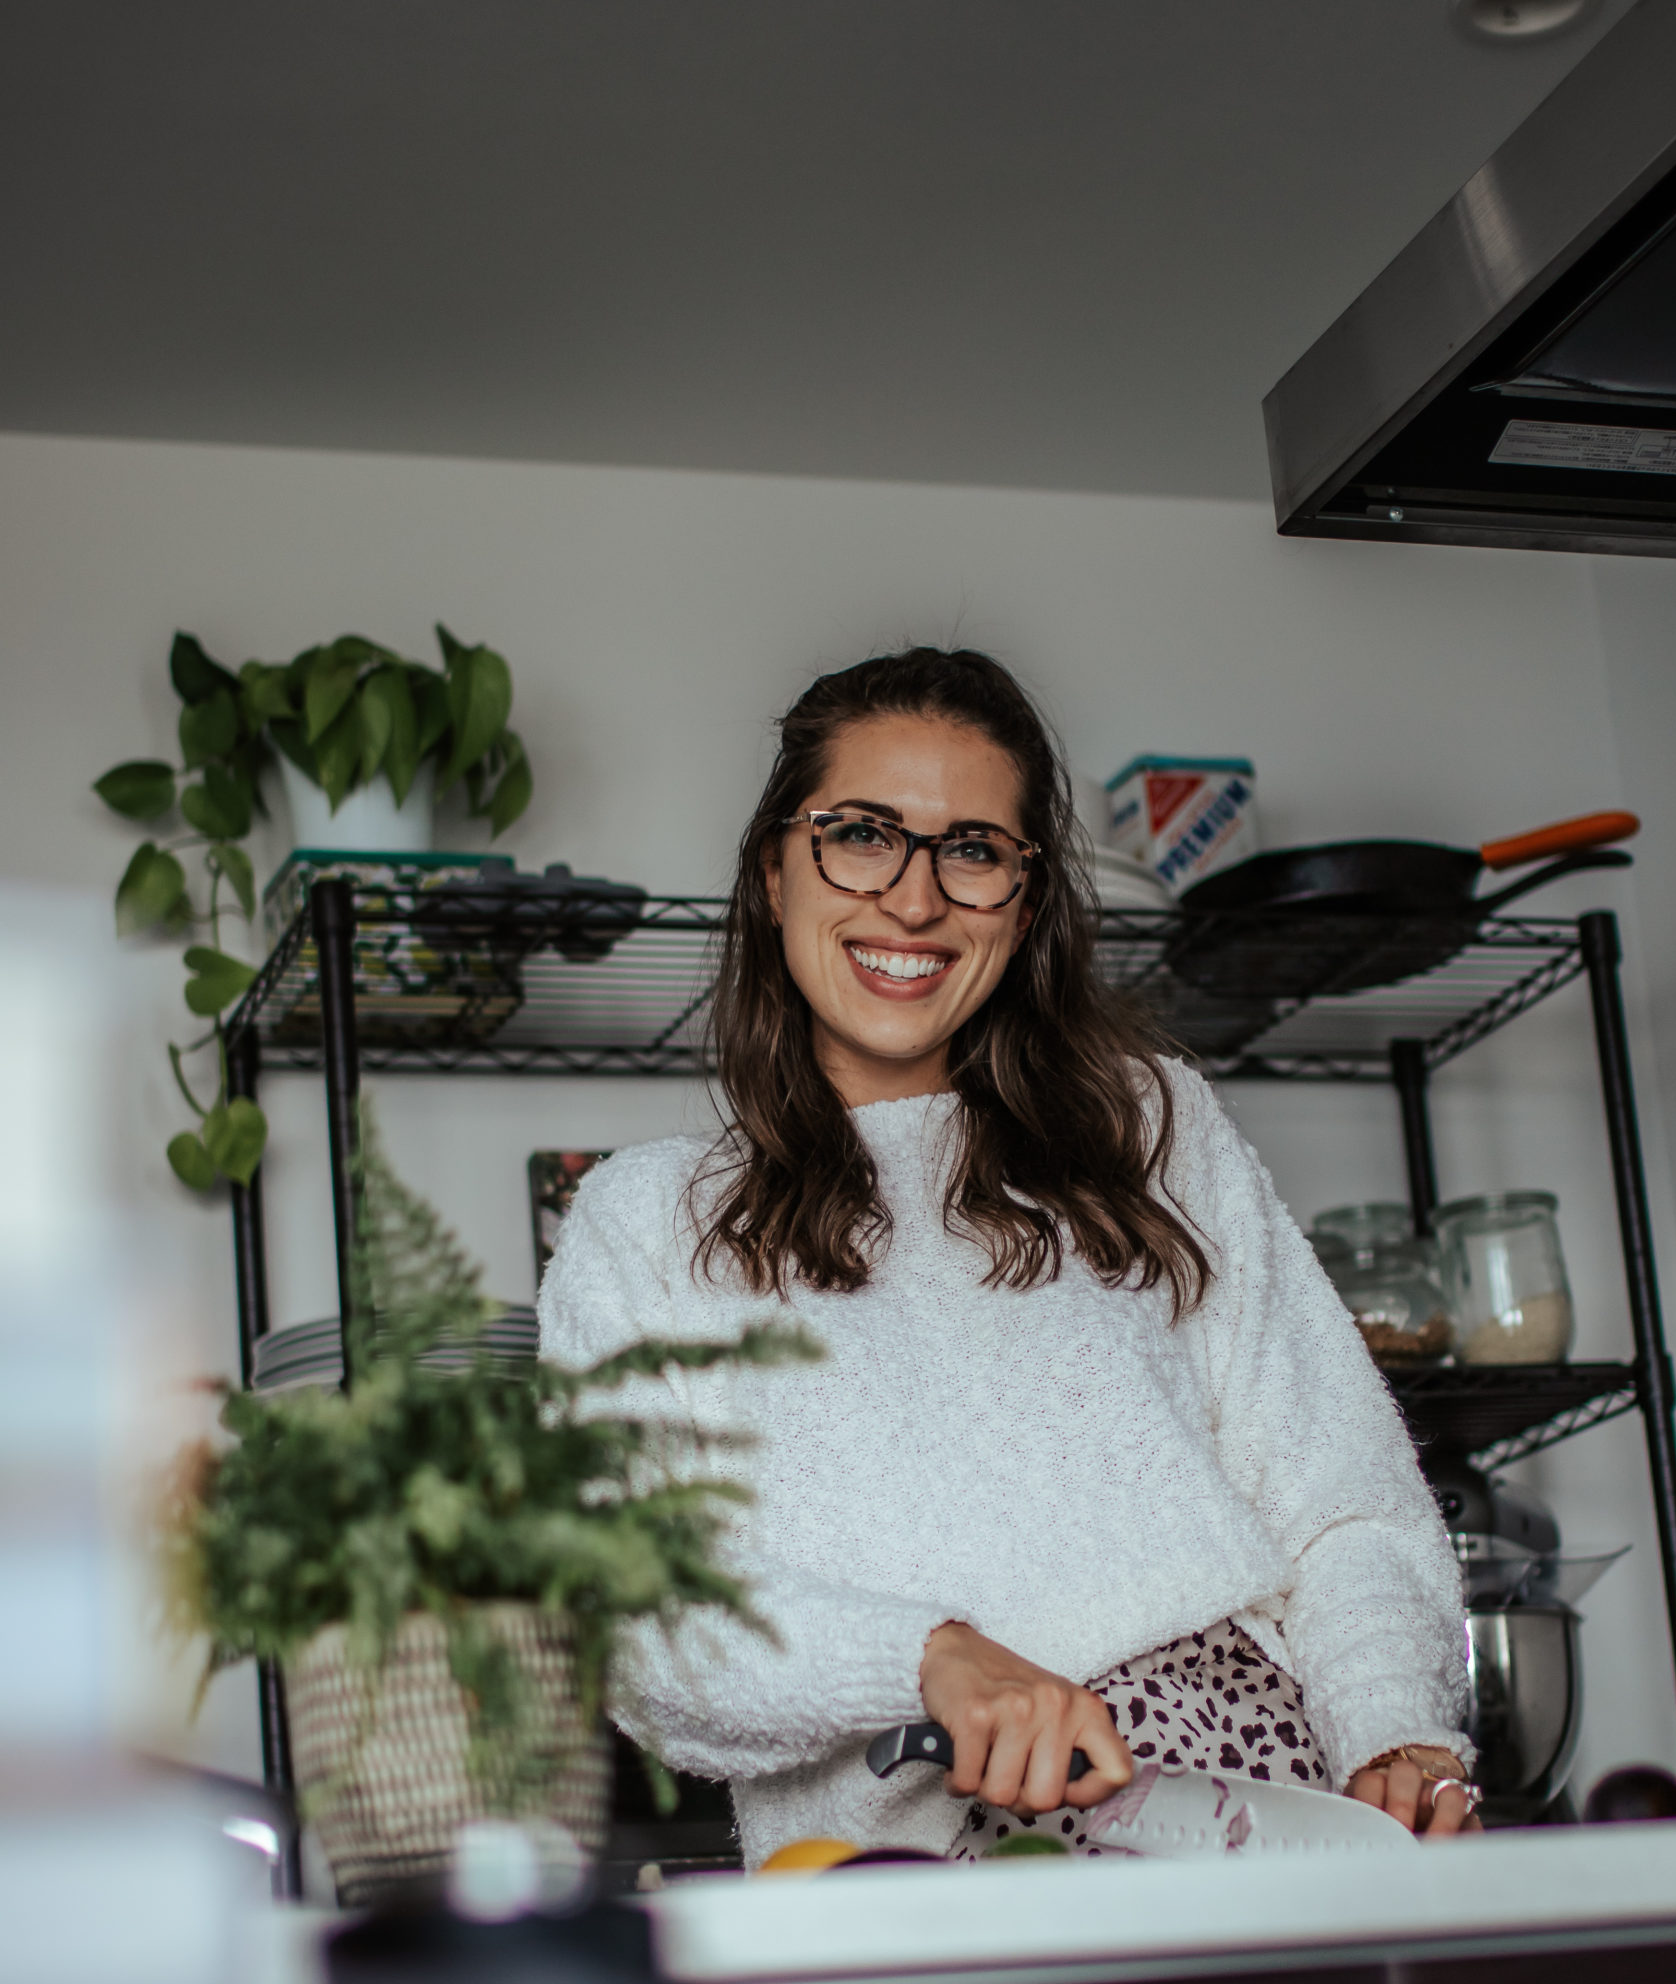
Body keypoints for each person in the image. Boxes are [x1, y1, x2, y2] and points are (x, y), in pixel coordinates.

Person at [538, 647, 1477, 1866]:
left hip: (1269, 1819)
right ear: (775, 872)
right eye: (861, 834)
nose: (915, 902)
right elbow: (645, 1630)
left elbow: (1344, 1504)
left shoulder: (1152, 1128)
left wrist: (1396, 1728)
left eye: (974, 851)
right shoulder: (646, 1224)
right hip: (917, 1874)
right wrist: (931, 1658)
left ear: (1025, 903)